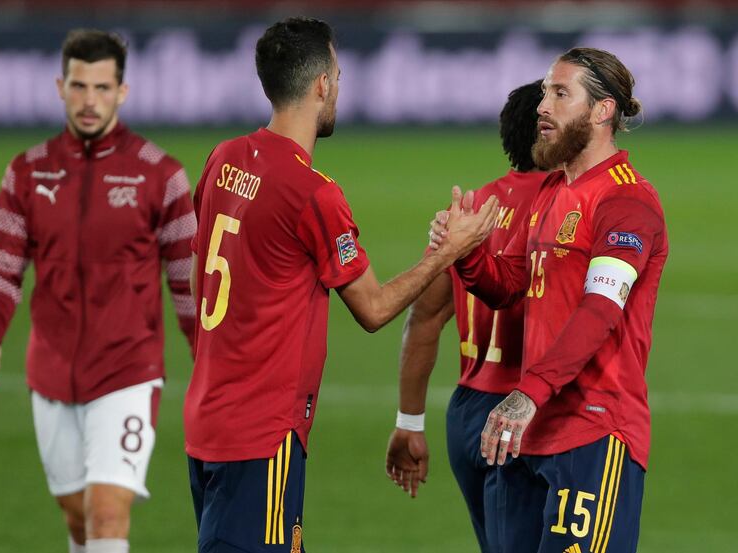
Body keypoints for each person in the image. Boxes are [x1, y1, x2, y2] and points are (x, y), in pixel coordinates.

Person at [184, 17, 499, 553]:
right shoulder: (313, 193)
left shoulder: (224, 158)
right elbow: (374, 310)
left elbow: (199, 282)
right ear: (322, 85)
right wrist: (447, 253)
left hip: (206, 420)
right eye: (338, 74)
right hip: (262, 435)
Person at [0, 29, 197, 553]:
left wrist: (204, 357)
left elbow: (188, 279)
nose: (89, 100)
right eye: (78, 86)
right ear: (59, 86)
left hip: (128, 370)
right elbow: (2, 264)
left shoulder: (161, 175)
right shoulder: (25, 172)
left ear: (123, 91)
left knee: (108, 513)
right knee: (78, 518)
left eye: (101, 87)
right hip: (49, 370)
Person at [432, 47, 668, 553]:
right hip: (531, 436)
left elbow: (601, 310)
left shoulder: (626, 200)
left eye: (561, 94)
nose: (543, 105)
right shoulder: (551, 192)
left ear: (602, 111)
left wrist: (528, 392)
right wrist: (464, 252)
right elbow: (509, 284)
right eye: (544, 92)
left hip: (593, 431)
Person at [384, 80, 547, 553]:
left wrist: (410, 423)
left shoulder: (469, 211)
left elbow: (425, 320)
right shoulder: (564, 205)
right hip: (522, 414)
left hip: (465, 415)